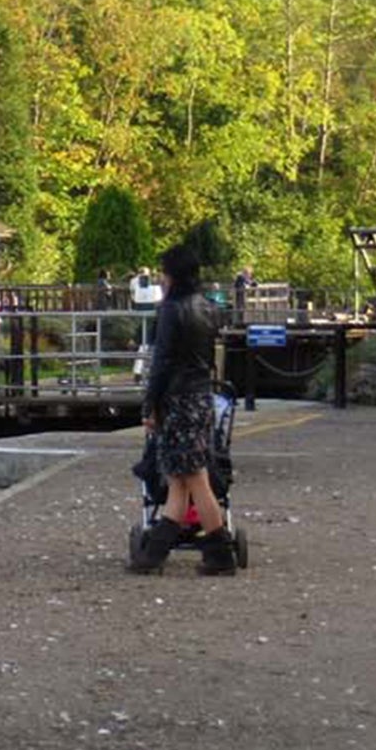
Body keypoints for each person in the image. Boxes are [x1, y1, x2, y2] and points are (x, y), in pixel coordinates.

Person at [131, 242, 234, 575]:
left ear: (172, 274)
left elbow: (162, 363)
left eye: (164, 272)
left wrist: (150, 404)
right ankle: (154, 555)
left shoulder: (171, 311)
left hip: (178, 400)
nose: (161, 278)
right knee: (179, 478)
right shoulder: (207, 307)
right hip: (201, 396)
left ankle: (220, 553)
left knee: (195, 478)